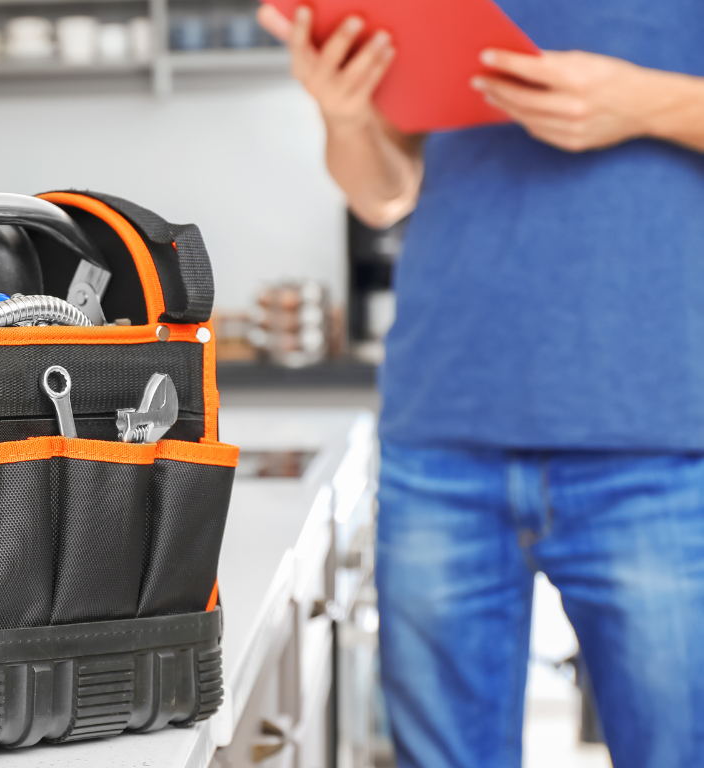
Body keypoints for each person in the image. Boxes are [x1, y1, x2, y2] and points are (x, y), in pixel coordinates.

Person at [256, 1, 704, 766]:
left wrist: (645, 102)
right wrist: (347, 116)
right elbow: (383, 193)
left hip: (655, 436)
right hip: (443, 432)